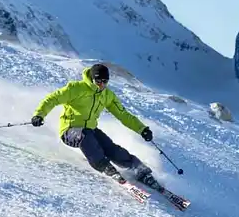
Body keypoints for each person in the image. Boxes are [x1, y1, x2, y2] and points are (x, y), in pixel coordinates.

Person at [31, 63, 162, 190]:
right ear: (92, 79)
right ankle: (105, 166)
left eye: (105, 82)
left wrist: (142, 129)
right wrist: (39, 115)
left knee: (111, 148)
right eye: (98, 81)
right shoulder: (76, 88)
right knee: (86, 137)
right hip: (70, 130)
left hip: (91, 130)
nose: (101, 85)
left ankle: (138, 168)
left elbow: (123, 115)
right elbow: (52, 99)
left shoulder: (107, 95)